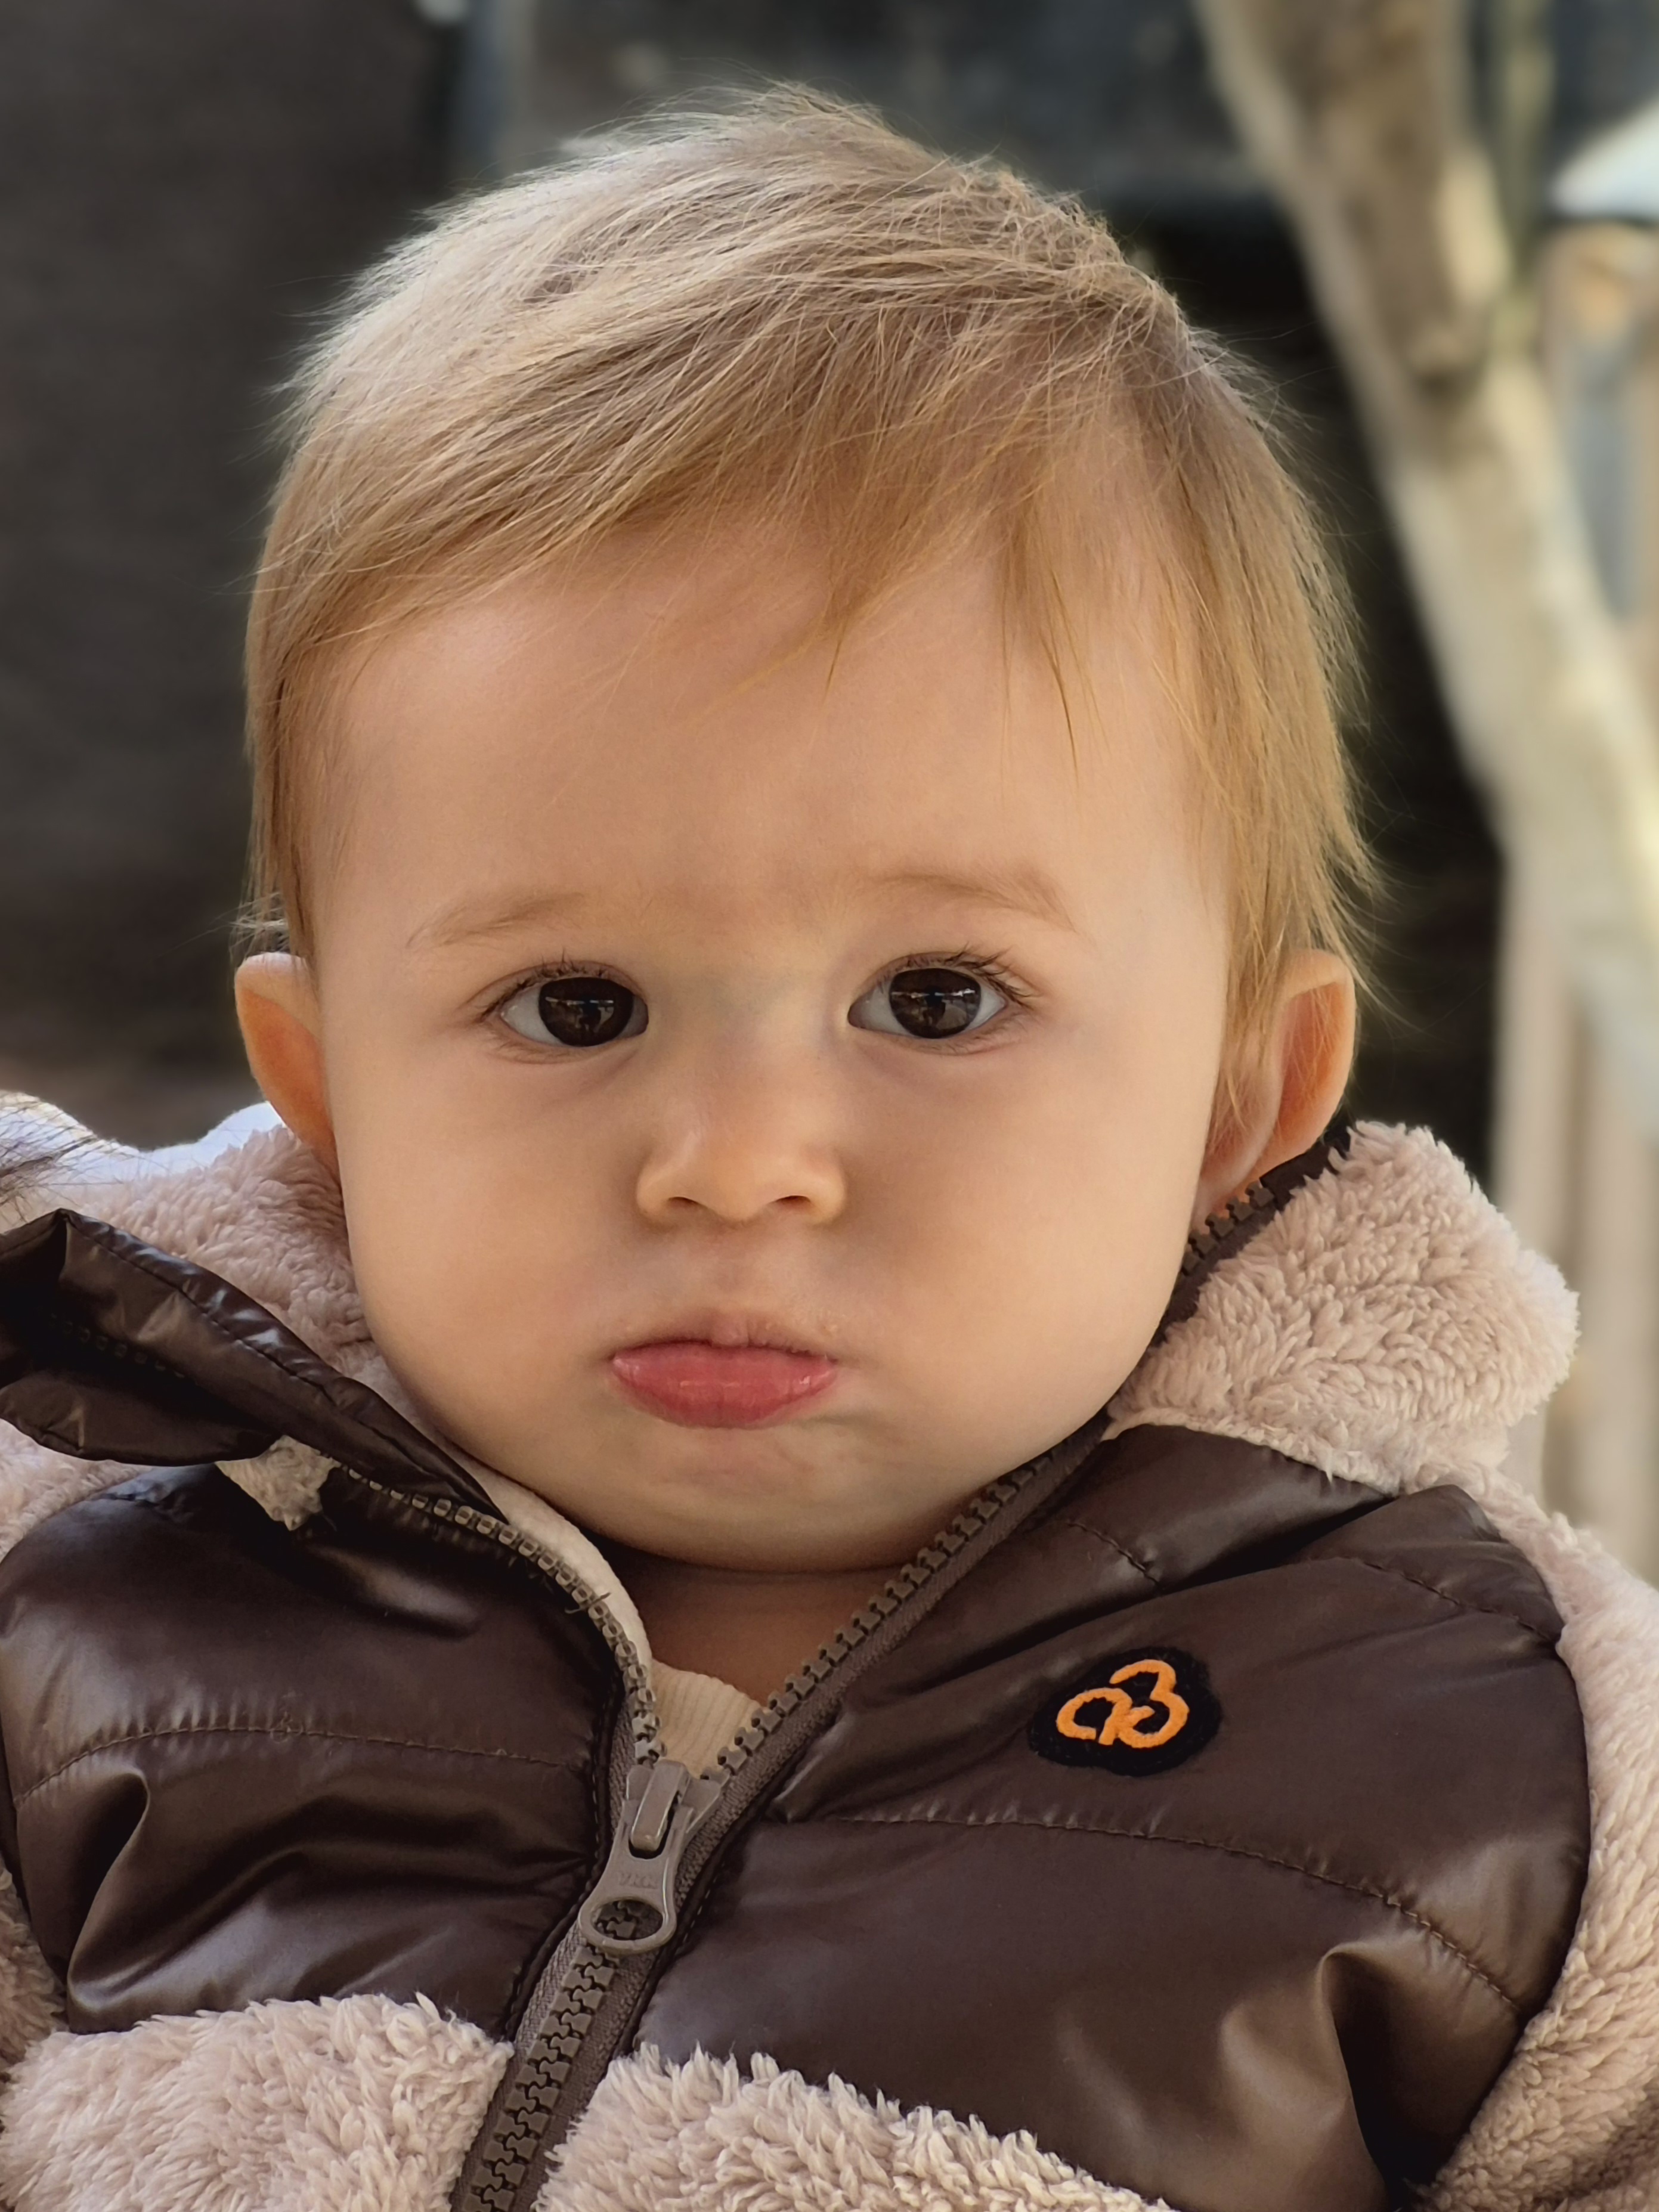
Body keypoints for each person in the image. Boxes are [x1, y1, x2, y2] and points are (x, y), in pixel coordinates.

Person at [0, 87, 1651, 2212]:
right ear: (329, 1093)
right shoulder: (89, 1608)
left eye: (936, 1001)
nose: (737, 1162)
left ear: (1238, 1101)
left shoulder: (1505, 1752)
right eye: (574, 1007)